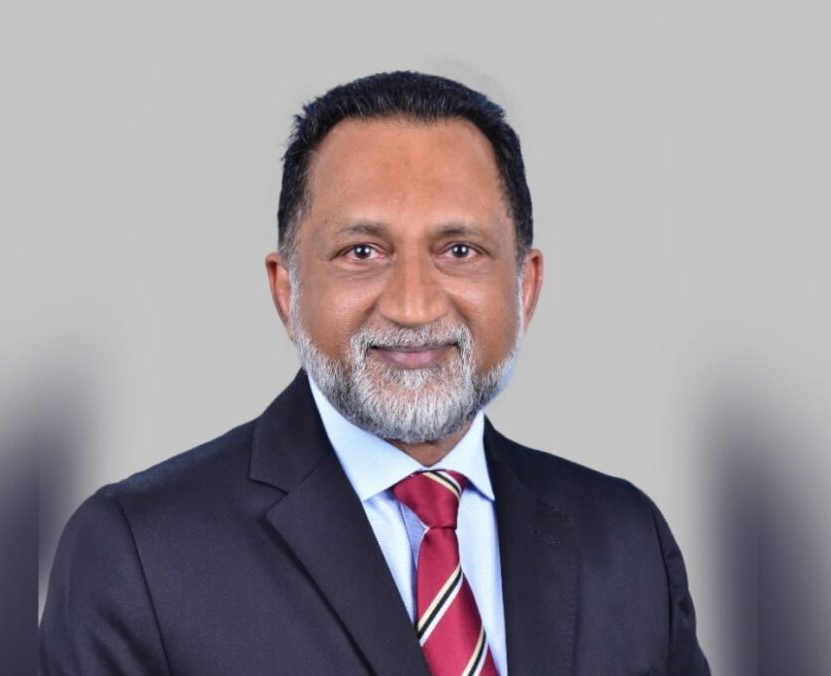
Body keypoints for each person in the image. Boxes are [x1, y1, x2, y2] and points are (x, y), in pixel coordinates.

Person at [39, 71, 711, 675]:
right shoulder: (138, 554)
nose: (413, 306)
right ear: (286, 290)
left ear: (525, 286)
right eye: (362, 252)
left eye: (459, 250)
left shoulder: (626, 540)